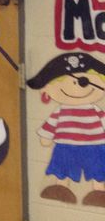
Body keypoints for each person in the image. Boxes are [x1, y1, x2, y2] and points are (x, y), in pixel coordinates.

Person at [27, 52, 105, 206]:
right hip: (66, 146)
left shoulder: (95, 110)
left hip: (94, 145)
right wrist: (46, 137)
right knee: (63, 166)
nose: (77, 85)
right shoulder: (60, 111)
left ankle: (99, 190)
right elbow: (50, 124)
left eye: (83, 81)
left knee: (97, 168)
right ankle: (61, 188)